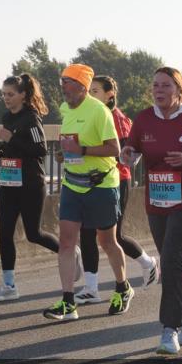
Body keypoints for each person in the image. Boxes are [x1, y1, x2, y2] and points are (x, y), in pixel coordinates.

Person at [123, 67, 182, 355]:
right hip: (158, 200)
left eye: (166, 85)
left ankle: (169, 329)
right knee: (173, 258)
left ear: (178, 90)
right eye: (155, 85)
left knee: (172, 258)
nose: (159, 90)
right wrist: (126, 156)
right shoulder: (143, 119)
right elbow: (134, 155)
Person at [45, 64, 133, 321]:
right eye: (61, 81)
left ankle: (122, 288)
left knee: (106, 241)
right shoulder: (64, 110)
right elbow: (73, 144)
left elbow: (114, 149)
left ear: (82, 86)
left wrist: (82, 151)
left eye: (68, 81)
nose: (63, 86)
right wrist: (66, 154)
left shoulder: (99, 111)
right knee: (66, 242)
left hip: (101, 185)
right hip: (72, 184)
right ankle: (68, 302)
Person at [76, 75, 159, 304]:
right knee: (86, 232)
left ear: (109, 95)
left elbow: (123, 154)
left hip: (115, 181)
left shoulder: (118, 118)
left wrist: (88, 151)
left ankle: (147, 262)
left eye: (95, 92)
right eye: (88, 91)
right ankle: (91, 288)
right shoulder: (89, 116)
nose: (90, 96)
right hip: (91, 181)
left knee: (113, 237)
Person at [0, 74, 61, 302]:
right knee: (5, 234)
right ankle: (9, 285)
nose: (5, 98)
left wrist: (11, 139)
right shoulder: (8, 117)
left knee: (33, 234)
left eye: (10, 94)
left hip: (30, 184)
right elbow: (7, 144)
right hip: (9, 183)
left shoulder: (32, 118)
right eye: (3, 94)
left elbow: (40, 149)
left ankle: (67, 252)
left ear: (23, 95)